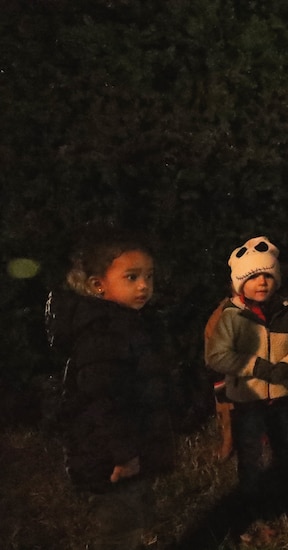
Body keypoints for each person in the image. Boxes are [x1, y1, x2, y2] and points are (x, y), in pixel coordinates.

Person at [45, 228, 173, 550]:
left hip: (131, 444)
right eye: (131, 277)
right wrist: (123, 454)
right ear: (98, 285)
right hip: (112, 454)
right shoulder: (103, 333)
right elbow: (101, 400)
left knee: (136, 511)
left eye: (149, 276)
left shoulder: (129, 323)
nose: (144, 285)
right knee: (119, 527)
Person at [205, 236, 288, 520]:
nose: (262, 282)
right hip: (248, 399)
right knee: (250, 453)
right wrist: (255, 366)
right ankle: (251, 501)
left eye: (267, 275)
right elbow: (216, 356)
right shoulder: (232, 317)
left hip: (282, 397)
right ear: (241, 283)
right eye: (253, 277)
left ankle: (287, 495)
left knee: (286, 446)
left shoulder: (287, 313)